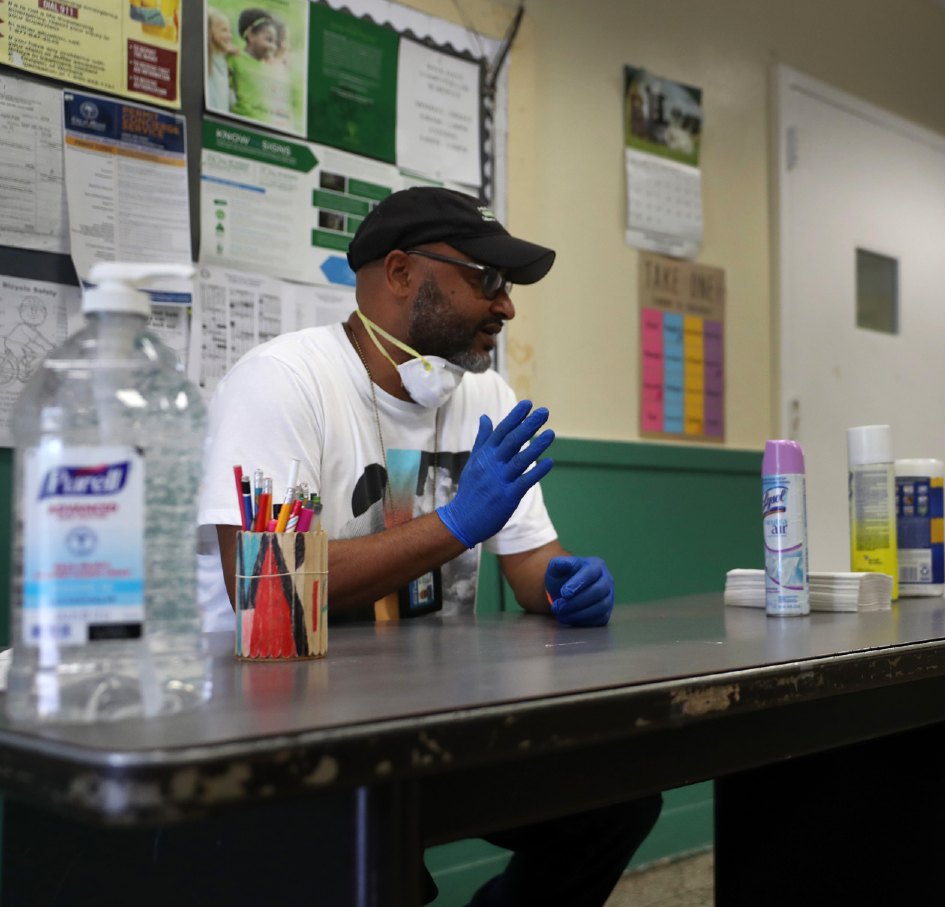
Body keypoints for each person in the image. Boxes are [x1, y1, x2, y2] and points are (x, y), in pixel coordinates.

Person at [195, 187, 661, 905]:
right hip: (279, 735)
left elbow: (536, 569)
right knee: (377, 874)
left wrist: (569, 582)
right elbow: (269, 593)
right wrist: (454, 525)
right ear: (403, 273)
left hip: (432, 722)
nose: (506, 307)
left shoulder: (485, 397)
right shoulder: (283, 383)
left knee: (614, 800)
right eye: (488, 280)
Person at [205, 11, 236, 113]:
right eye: (224, 30)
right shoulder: (208, 60)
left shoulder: (225, 62)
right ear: (210, 32)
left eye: (229, 31)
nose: (229, 36)